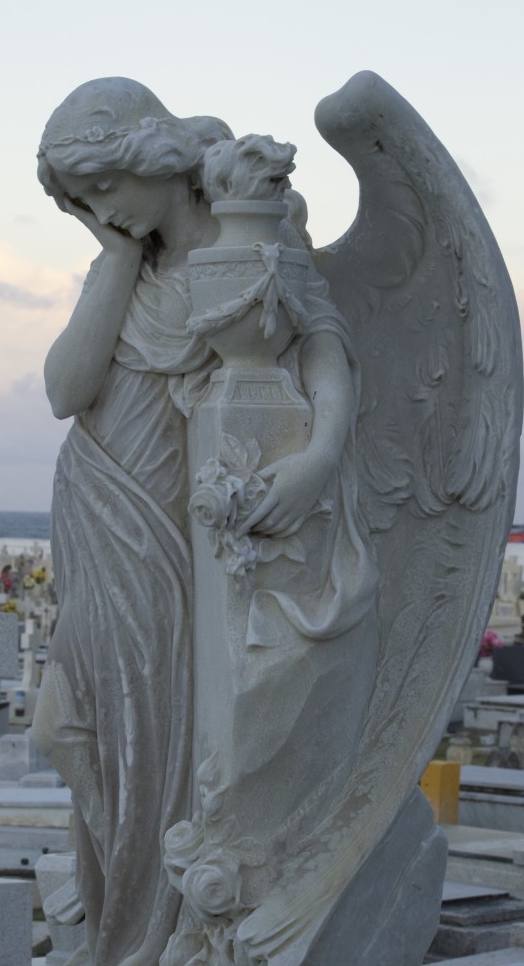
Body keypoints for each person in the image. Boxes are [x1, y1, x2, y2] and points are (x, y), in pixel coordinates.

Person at [31, 78, 377, 966]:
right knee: (74, 729)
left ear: (151, 156)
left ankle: (151, 933)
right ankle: (120, 916)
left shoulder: (248, 247)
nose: (96, 208)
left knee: (142, 738)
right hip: (97, 509)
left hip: (169, 536)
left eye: (103, 185)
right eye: (80, 197)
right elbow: (67, 392)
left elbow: (325, 350)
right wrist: (110, 256)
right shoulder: (127, 269)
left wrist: (317, 458)